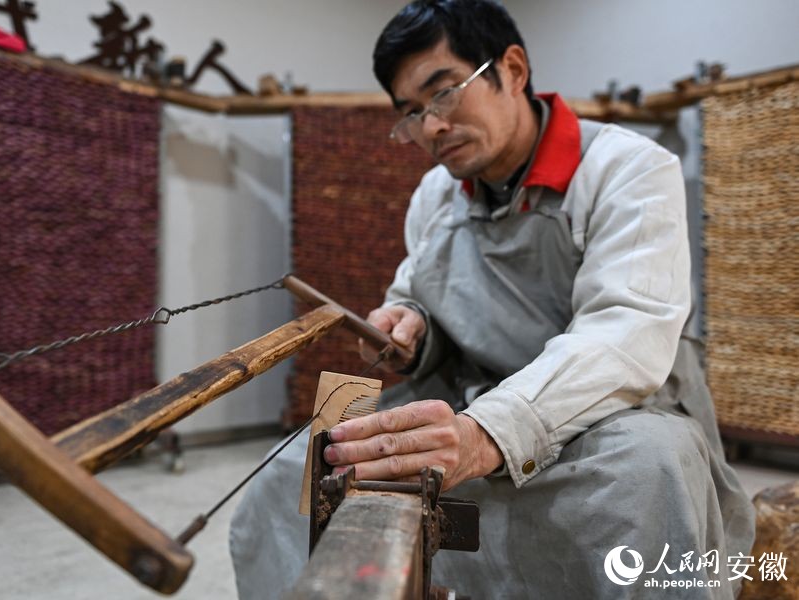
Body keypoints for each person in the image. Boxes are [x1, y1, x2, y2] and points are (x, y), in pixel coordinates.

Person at [230, 1, 755, 597]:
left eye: (443, 93)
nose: (430, 127)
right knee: (295, 472)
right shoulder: (434, 195)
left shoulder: (629, 170)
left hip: (615, 417)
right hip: (471, 405)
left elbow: (626, 337)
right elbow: (416, 292)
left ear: (513, 69)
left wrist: (486, 436)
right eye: (410, 114)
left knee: (648, 470)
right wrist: (411, 329)